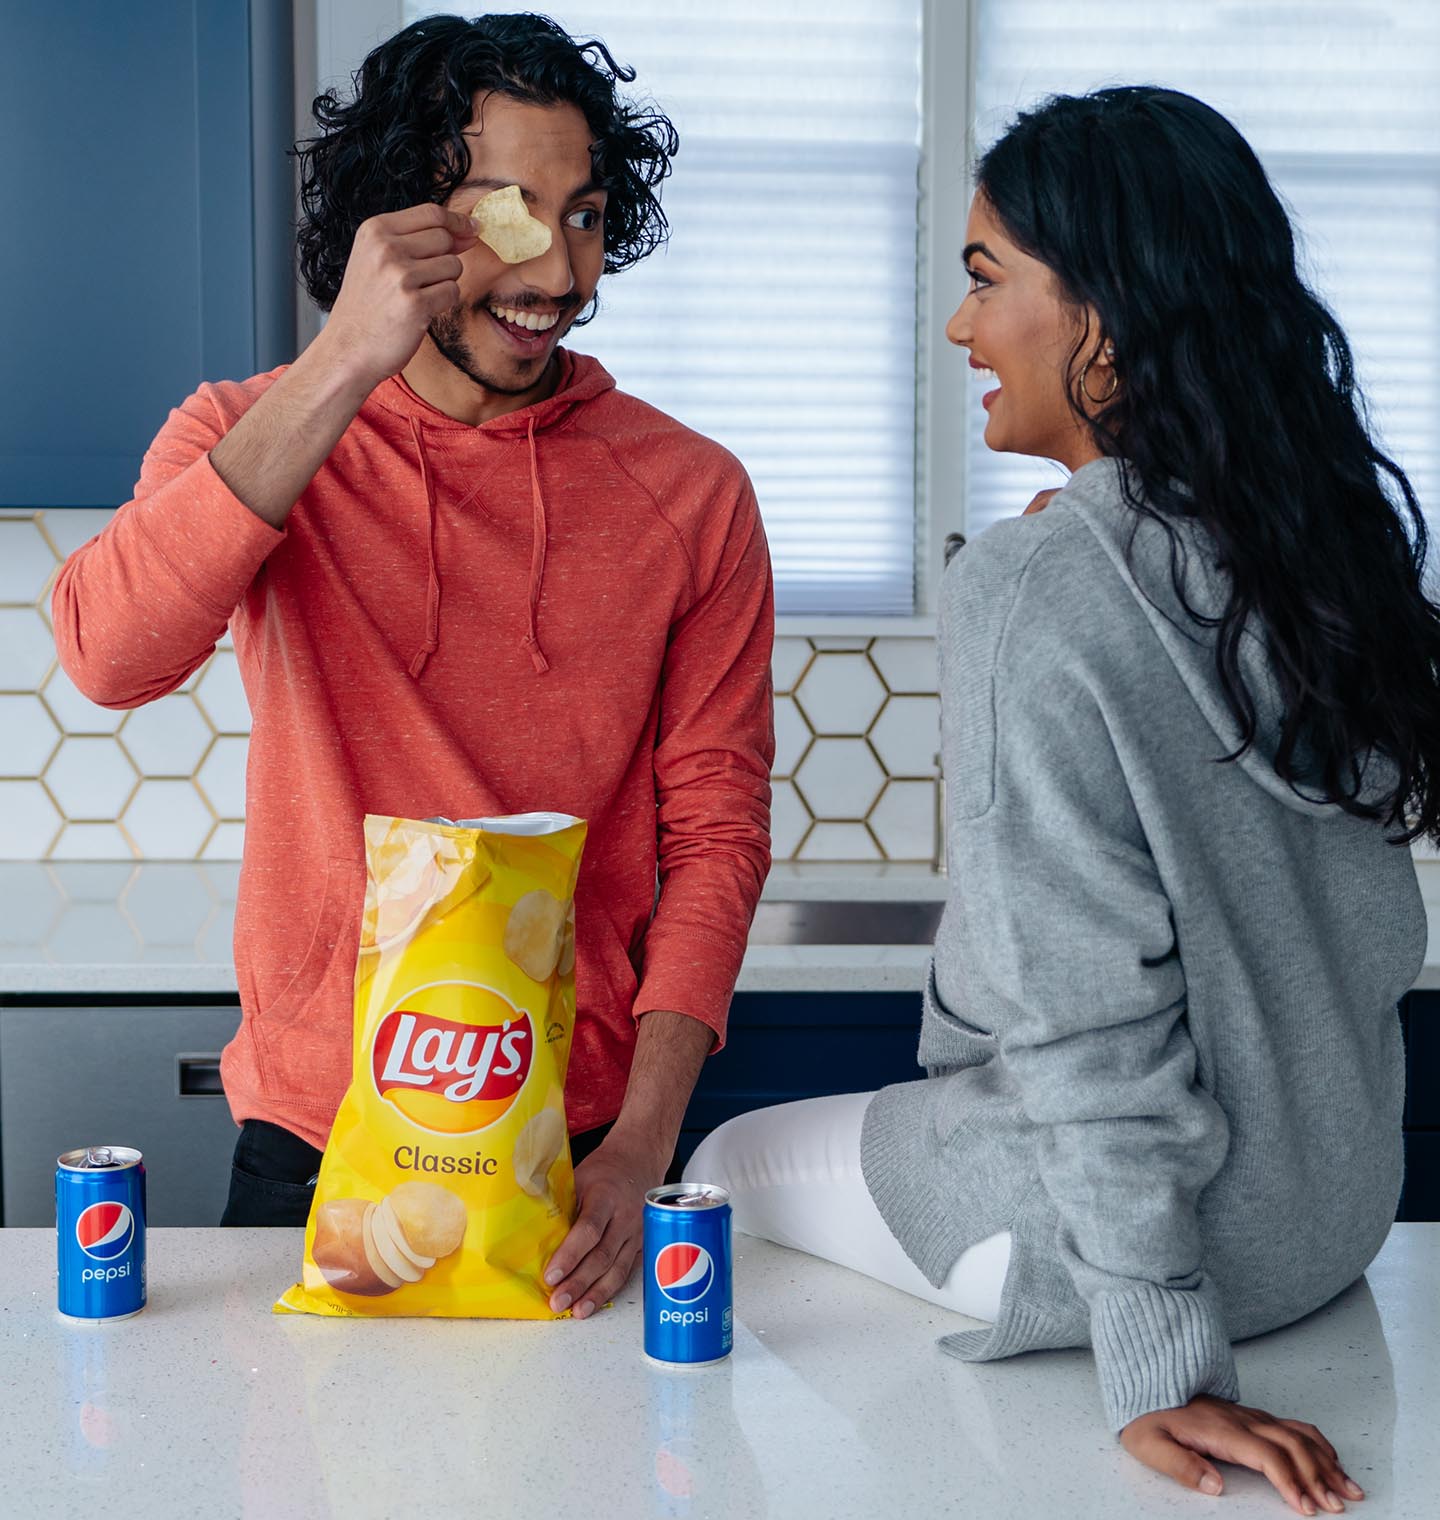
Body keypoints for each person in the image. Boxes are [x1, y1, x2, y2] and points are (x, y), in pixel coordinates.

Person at [689, 86, 1440, 1514]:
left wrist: (1162, 1362)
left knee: (719, 1160)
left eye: (985, 281)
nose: (963, 331)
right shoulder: (1317, 553)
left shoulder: (1040, 585)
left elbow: (1079, 1012)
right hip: (1332, 1216)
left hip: (1139, 1251)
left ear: (1100, 316)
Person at [52, 13, 774, 1322]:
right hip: (313, 1145)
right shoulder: (246, 432)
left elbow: (716, 835)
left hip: (574, 1154)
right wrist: (344, 358)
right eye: (508, 217)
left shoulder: (691, 495)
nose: (559, 268)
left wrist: (641, 1148)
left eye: (588, 215)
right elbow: (107, 659)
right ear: (403, 231)